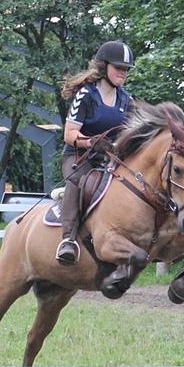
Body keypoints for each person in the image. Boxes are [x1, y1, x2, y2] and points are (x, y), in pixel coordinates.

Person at [55, 40, 135, 265]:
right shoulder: (86, 95)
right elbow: (69, 134)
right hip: (79, 156)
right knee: (80, 180)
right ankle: (68, 240)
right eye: (119, 67)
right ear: (104, 67)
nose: (123, 73)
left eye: (126, 69)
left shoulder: (126, 99)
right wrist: (91, 142)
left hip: (109, 157)